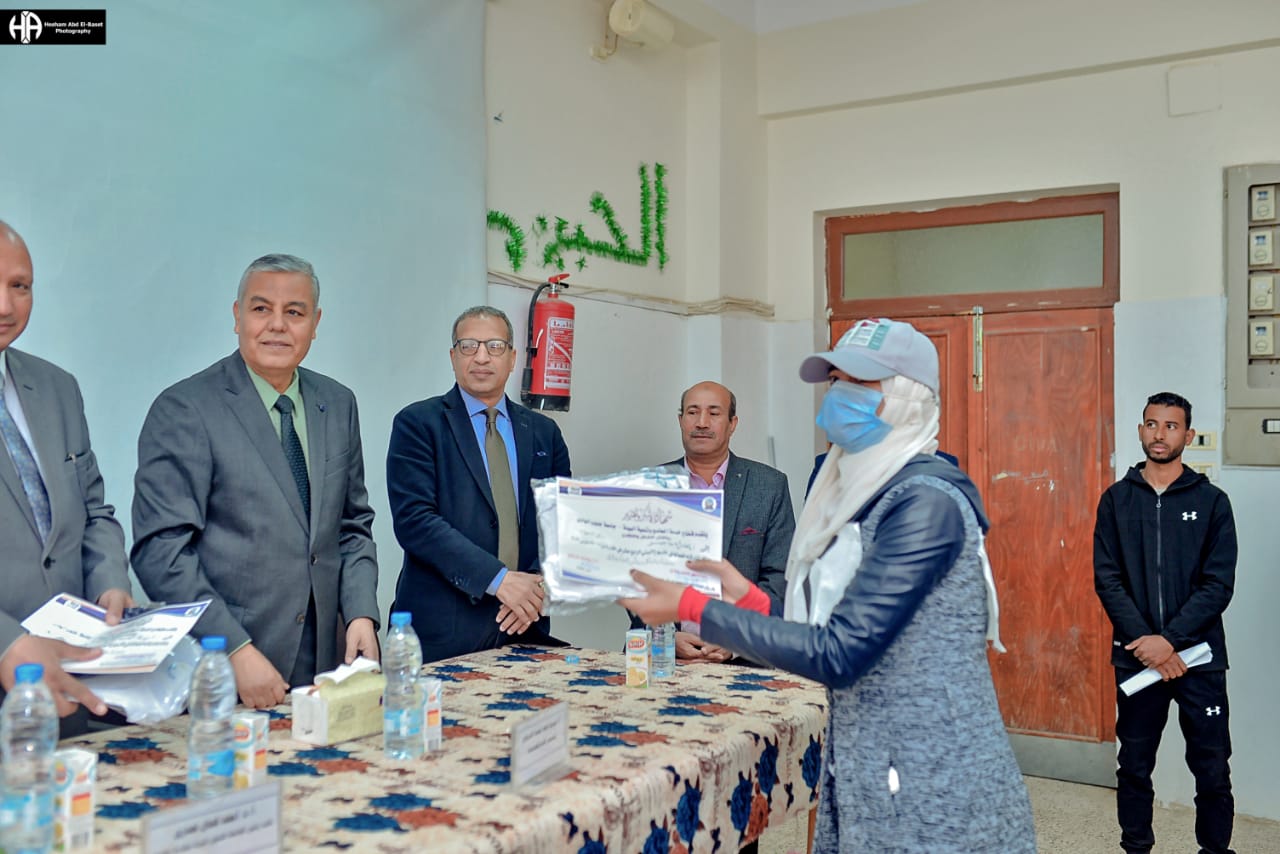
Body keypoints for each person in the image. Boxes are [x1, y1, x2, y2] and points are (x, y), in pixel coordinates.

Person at [621, 318, 1035, 852]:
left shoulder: (925, 502)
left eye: (860, 383)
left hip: (931, 774)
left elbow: (840, 651)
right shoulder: (861, 489)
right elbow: (825, 622)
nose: (840, 395)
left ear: (907, 397)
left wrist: (697, 608)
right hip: (869, 754)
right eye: (836, 380)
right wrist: (750, 600)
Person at [132, 254, 380, 709]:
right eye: (261, 308)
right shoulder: (186, 409)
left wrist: (361, 612)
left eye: (295, 312)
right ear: (237, 316)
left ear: (315, 323)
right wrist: (234, 650)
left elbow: (352, 526)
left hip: (325, 663)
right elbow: (161, 552)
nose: (277, 325)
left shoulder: (337, 403)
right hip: (224, 670)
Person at [0, 220, 135, 731]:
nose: (6, 306)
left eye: (20, 285)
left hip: (71, 686)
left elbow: (93, 510)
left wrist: (110, 582)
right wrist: (7, 643)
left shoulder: (57, 388)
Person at [1093, 391, 1237, 854]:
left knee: (1212, 770)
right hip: (1136, 659)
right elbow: (1107, 579)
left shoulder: (1212, 502)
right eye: (1152, 424)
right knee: (1134, 766)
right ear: (1141, 431)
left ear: (1187, 436)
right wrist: (1146, 643)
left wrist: (1169, 642)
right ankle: (1136, 848)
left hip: (1200, 660)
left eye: (1171, 426)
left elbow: (1217, 585)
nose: (1160, 434)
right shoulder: (1116, 501)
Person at [387, 306, 571, 663]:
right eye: (468, 346)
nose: (482, 357)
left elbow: (562, 520)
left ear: (513, 358)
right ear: (453, 356)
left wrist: (537, 588)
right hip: (443, 633)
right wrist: (499, 580)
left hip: (524, 624)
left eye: (495, 346)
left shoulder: (544, 432)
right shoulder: (418, 424)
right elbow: (415, 521)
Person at [632, 380, 794, 663]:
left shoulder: (769, 486)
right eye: (693, 412)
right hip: (661, 655)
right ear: (681, 421)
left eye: (714, 413)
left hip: (746, 657)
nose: (702, 423)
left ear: (732, 424)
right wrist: (665, 636)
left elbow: (778, 576)